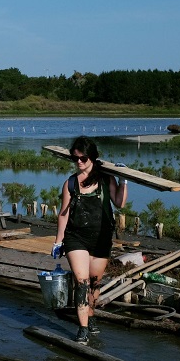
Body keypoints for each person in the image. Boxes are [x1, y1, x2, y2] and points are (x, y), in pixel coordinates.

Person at [52, 136, 128, 345]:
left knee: (94, 283)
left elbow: (119, 203)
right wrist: (58, 241)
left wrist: (124, 180)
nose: (78, 162)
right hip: (76, 238)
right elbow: (64, 214)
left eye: (83, 158)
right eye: (75, 158)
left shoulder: (106, 179)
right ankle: (83, 328)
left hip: (102, 239)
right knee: (82, 283)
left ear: (92, 157)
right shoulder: (70, 183)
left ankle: (91, 315)